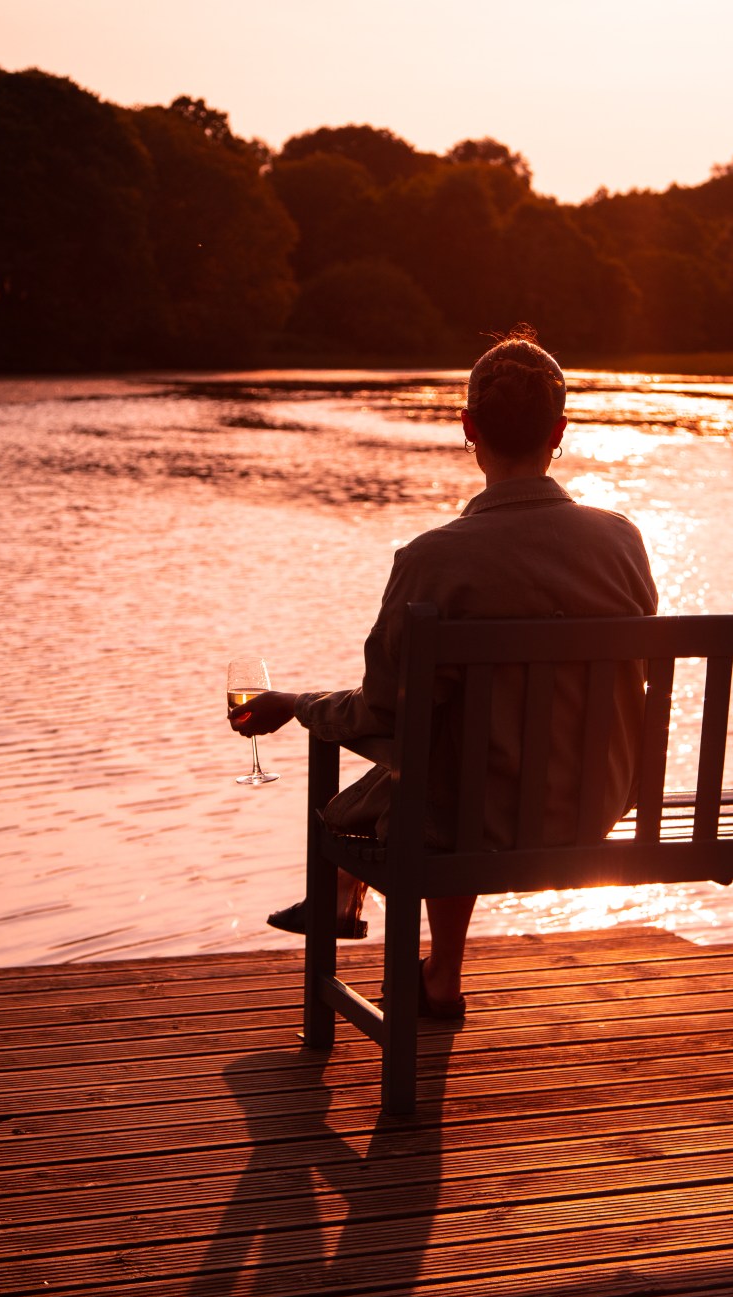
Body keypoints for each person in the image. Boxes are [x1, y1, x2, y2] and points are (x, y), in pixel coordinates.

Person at [229, 327, 658, 1019]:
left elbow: (383, 715)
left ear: (468, 428)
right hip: (598, 803)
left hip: (475, 817)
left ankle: (344, 897)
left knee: (433, 771)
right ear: (559, 432)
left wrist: (296, 703)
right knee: (456, 754)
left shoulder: (433, 560)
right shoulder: (623, 543)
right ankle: (435, 974)